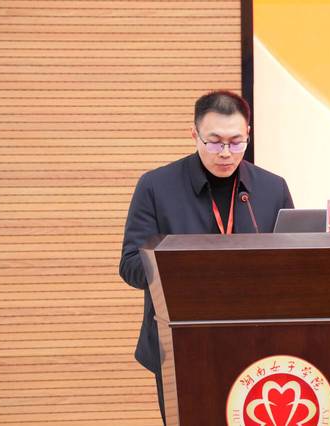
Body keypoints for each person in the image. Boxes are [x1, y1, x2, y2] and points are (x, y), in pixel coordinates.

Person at [119, 90, 294, 423]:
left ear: (248, 134)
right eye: (214, 143)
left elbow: (294, 264)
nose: (226, 153)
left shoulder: (273, 188)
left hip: (259, 342)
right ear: (194, 135)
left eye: (237, 142)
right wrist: (187, 267)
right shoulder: (156, 186)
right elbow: (130, 266)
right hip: (181, 345)